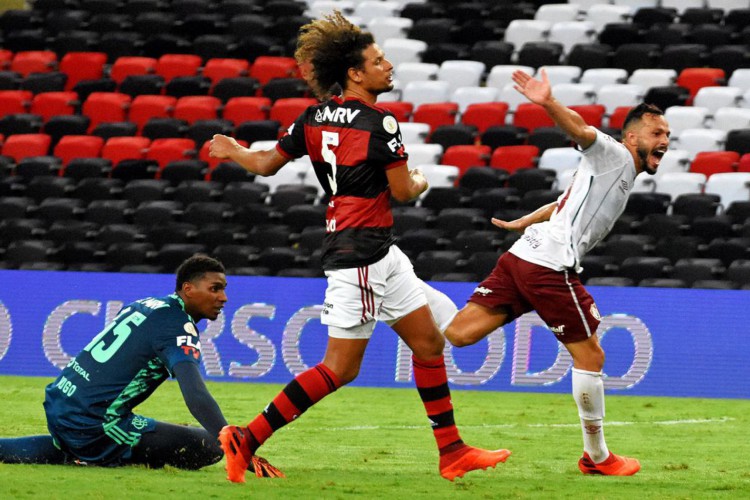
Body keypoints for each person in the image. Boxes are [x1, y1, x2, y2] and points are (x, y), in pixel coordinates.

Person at [209, 12, 510, 483]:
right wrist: (422, 179)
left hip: (375, 251)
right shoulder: (379, 122)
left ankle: (451, 452)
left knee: (428, 342)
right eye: (377, 61)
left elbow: (266, 163)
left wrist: (234, 152)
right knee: (339, 368)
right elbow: (404, 191)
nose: (387, 66)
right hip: (362, 256)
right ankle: (246, 439)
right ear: (354, 73)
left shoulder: (312, 117)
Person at [441, 69, 671, 476]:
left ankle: (402, 293)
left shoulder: (612, 174)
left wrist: (521, 222)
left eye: (667, 135)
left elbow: (561, 203)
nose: (664, 142)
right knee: (591, 355)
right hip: (548, 265)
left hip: (522, 256)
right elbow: (581, 130)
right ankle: (597, 457)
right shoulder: (613, 154)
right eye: (656, 134)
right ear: (632, 138)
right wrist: (546, 102)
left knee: (460, 334)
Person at [0, 255, 280, 475]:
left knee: (79, 440)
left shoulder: (146, 303)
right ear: (188, 289)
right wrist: (237, 447)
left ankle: (75, 449)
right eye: (215, 288)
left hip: (61, 402)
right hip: (93, 423)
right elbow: (196, 395)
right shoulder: (178, 326)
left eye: (224, 289)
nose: (224, 298)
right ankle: (90, 455)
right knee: (209, 447)